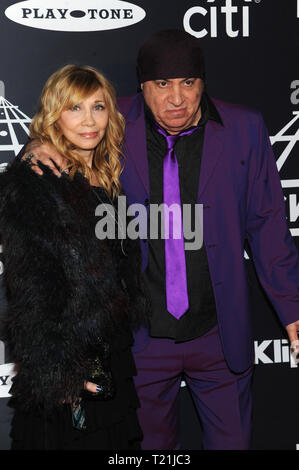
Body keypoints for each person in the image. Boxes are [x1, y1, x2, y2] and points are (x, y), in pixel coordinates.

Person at [20, 30, 299, 450]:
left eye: (188, 82)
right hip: (141, 340)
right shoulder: (113, 122)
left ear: (203, 82)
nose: (176, 98)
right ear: (142, 86)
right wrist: (35, 148)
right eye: (162, 84)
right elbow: (65, 128)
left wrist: (293, 311)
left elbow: (268, 226)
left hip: (220, 336)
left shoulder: (244, 128)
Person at [0, 64, 149, 450]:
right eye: (74, 108)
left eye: (98, 107)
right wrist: (56, 369)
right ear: (54, 115)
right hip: (67, 362)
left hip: (109, 352)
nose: (89, 121)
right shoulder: (37, 179)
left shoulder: (105, 173)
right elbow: (28, 284)